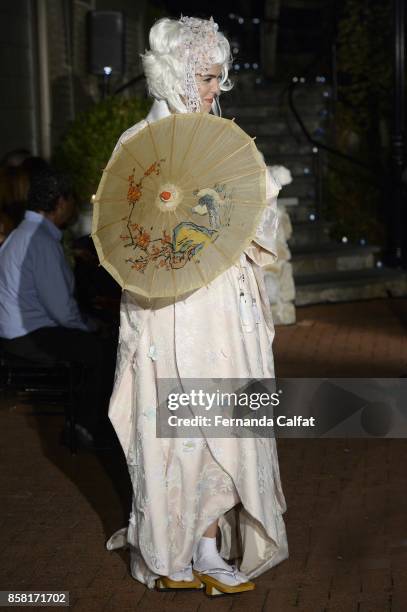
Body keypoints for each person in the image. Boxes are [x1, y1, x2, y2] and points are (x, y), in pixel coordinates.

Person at [105, 16, 288, 595]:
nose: (214, 90)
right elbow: (121, 237)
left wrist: (262, 204)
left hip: (226, 313)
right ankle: (167, 551)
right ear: (176, 73)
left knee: (225, 430)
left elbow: (260, 237)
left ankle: (209, 550)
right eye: (206, 77)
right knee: (175, 433)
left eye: (218, 78)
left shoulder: (225, 144)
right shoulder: (137, 146)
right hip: (168, 310)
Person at [0, 169, 116, 446]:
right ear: (61, 202)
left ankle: (87, 421)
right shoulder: (39, 241)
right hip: (29, 336)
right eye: (73, 201)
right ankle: (85, 427)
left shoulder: (22, 235)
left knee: (93, 341)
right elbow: (63, 313)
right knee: (101, 349)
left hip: (16, 332)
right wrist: (93, 326)